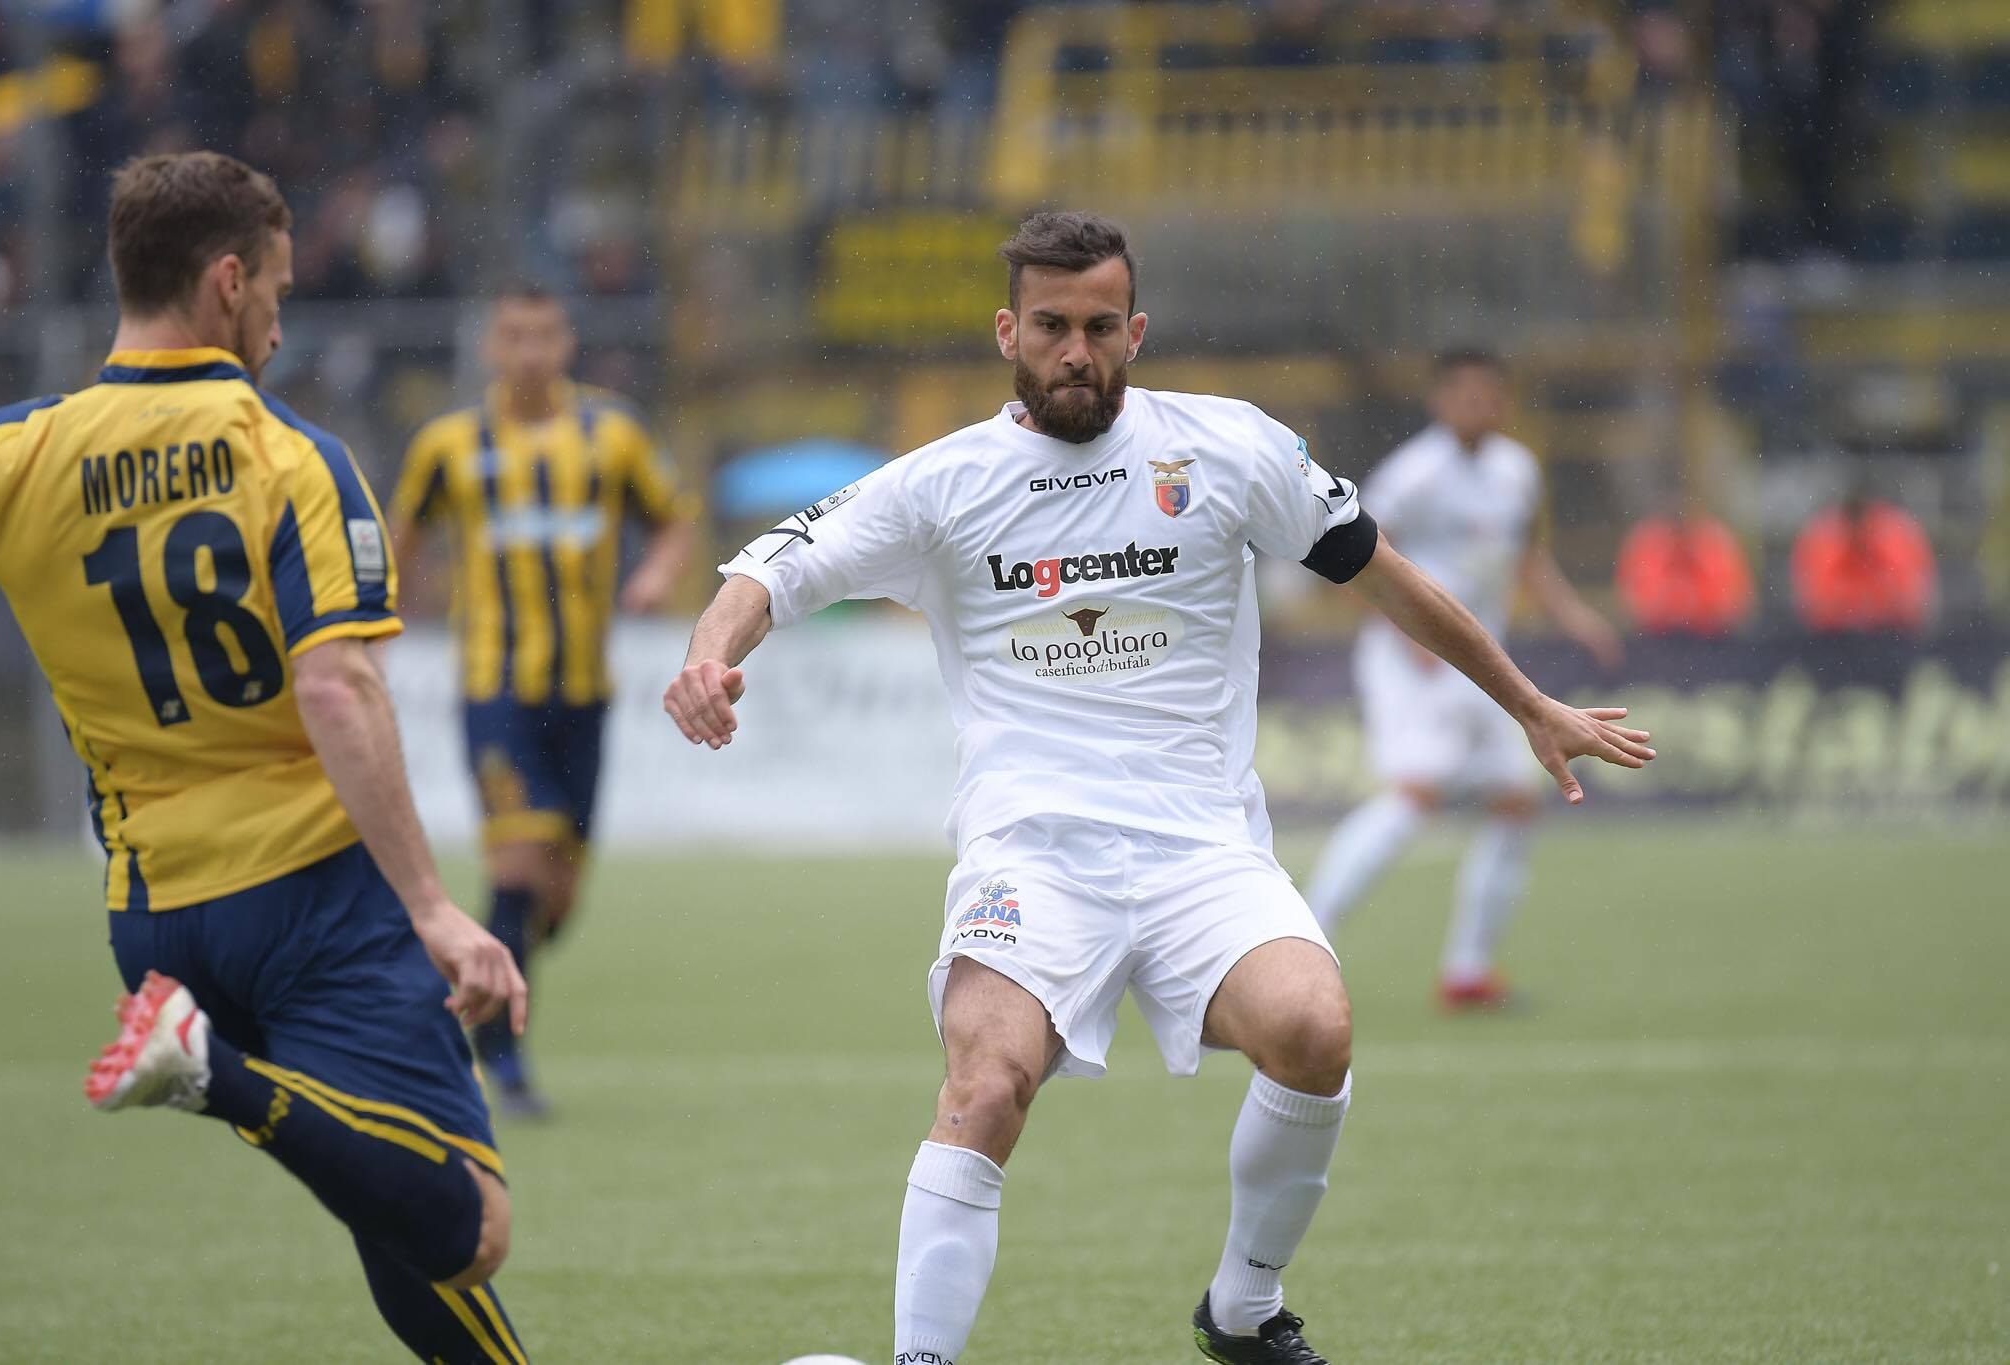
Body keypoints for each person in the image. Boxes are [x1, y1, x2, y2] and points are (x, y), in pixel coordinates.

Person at [663, 212, 1653, 1364]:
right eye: (1047, 327)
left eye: (1095, 327)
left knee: (1314, 1029)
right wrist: (707, 654)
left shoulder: (1226, 449)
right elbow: (769, 571)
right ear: (1006, 333)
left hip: (1200, 850)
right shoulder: (942, 483)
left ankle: (1240, 1307)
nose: (1072, 351)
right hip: (1029, 854)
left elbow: (1381, 575)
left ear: (1134, 331)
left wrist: (1527, 702)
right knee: (985, 1083)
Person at [0, 151, 530, 1364]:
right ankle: (211, 1073)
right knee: (464, 1226)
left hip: (153, 918)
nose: (278, 320)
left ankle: (202, 1056)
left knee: (375, 1191)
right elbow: (334, 680)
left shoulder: (13, 455)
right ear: (227, 282)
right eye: (274, 289)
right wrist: (433, 906)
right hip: (314, 894)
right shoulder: (290, 457)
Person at [390, 283, 698, 1117]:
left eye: (545, 335)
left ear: (566, 342)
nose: (530, 351)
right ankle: (497, 1055)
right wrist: (384, 610)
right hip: (495, 690)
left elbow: (674, 518)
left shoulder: (614, 433)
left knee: (557, 897)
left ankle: (472, 982)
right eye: (514, 336)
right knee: (518, 864)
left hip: (586, 693)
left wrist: (659, 571)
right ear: (493, 345)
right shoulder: (450, 446)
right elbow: (401, 533)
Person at [1300, 349, 1626, 1010]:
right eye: (1465, 395)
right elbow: (1354, 559)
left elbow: (1526, 556)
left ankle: (1469, 971)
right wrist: (1408, 636)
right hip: (1413, 659)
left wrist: (1574, 615)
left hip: (1483, 661)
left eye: (1490, 395)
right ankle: (1302, 943)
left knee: (1515, 799)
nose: (1478, 406)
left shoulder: (1517, 469)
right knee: (1415, 794)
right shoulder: (1413, 474)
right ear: (1440, 401)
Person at [1791, 486, 1935, 633]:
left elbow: (1911, 605)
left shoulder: (1897, 542)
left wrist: (1858, 608)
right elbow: (1816, 608)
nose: (1859, 533)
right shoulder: (1823, 545)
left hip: (1891, 635)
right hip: (1834, 637)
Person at [1616, 495, 1755, 636]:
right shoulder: (1647, 543)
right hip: (1657, 641)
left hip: (1713, 641)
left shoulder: (1716, 543)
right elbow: (1637, 606)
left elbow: (1733, 604)